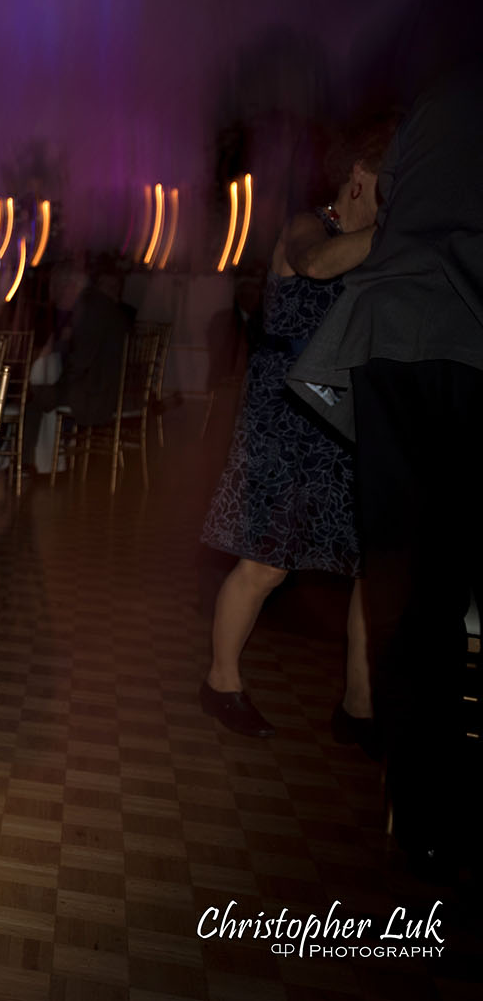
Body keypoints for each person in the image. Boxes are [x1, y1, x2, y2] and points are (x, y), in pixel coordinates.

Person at [291, 61, 483, 880]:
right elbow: (312, 259)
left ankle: (426, 820)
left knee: (409, 592)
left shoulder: (440, 99)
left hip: (389, 348)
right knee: (417, 587)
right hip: (456, 338)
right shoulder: (313, 225)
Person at [198, 131, 386, 744]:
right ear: (360, 175)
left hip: (346, 417)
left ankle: (359, 704)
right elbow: (316, 264)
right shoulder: (308, 227)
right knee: (265, 563)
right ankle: (220, 681)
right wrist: (406, 235)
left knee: (368, 564)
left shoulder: (378, 248)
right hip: (285, 420)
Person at [23, 261, 135, 465]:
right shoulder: (97, 304)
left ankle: (25, 464)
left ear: (69, 287)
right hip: (106, 386)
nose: (55, 296)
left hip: (96, 394)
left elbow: (80, 363)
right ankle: (43, 463)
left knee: (29, 398)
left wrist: (58, 389)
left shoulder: (89, 308)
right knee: (38, 392)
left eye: (57, 288)